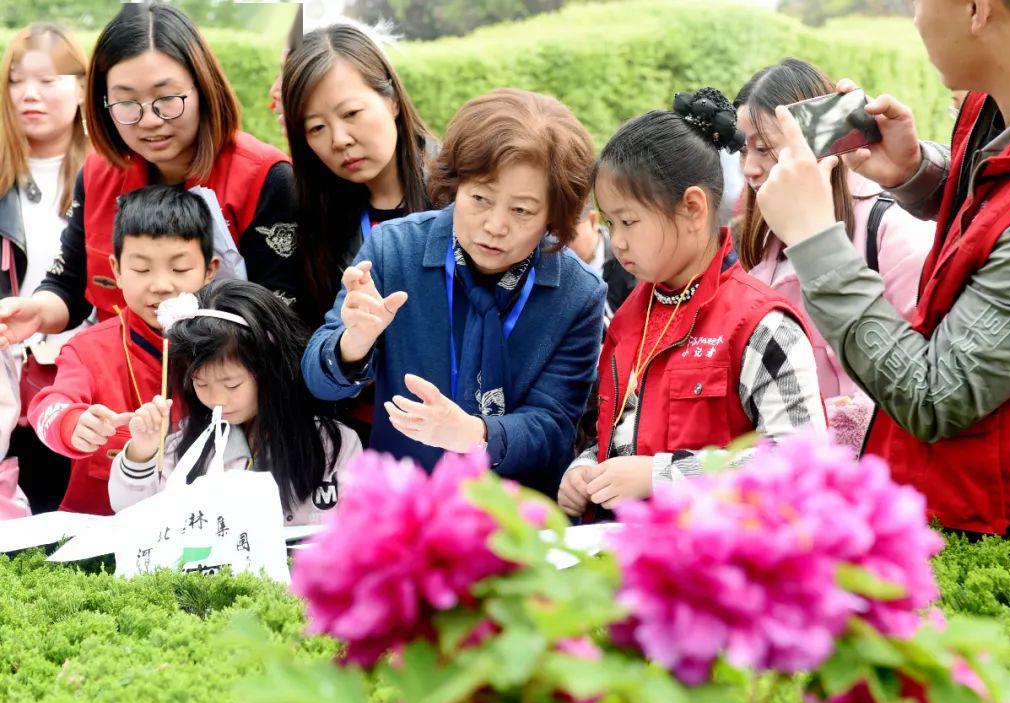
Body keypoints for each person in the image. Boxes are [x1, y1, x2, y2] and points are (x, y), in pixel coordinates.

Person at [751, 0, 1010, 535]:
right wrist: (917, 173)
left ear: (978, 10)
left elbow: (934, 396)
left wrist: (815, 240)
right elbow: (1003, 210)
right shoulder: (1002, 101)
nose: (913, 16)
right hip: (940, 495)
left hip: (998, 524)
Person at [302, 88, 604, 495]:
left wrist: (475, 433)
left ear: (553, 216)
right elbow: (319, 382)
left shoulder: (577, 294)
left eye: (521, 211)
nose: (495, 225)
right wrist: (353, 342)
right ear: (455, 185)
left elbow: (553, 428)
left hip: (517, 523)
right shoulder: (394, 250)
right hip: (403, 509)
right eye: (480, 198)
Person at [557, 88, 826, 518]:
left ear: (694, 208)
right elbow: (620, 435)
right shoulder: (628, 319)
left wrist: (661, 476)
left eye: (628, 221)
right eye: (610, 223)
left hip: (719, 567)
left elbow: (802, 465)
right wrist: (588, 467)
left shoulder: (760, 324)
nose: (617, 240)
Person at [0, 2, 302, 351]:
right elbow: (70, 285)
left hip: (228, 391)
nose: (149, 120)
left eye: (167, 98)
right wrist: (35, 312)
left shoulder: (265, 178)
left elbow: (282, 319)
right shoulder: (98, 174)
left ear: (203, 87)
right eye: (126, 103)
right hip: (119, 390)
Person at [734, 58, 934, 450]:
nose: (750, 168)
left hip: (888, 474)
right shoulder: (758, 243)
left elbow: (927, 375)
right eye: (743, 151)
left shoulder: (893, 233)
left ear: (817, 142)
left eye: (764, 148)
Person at [26, 185, 219, 515]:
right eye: (142, 269)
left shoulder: (226, 346)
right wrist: (72, 423)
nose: (160, 284)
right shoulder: (89, 349)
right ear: (115, 270)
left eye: (180, 269)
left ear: (210, 271)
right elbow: (46, 407)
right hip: (97, 534)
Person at [109, 280, 362, 525]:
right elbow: (132, 513)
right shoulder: (186, 446)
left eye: (232, 385)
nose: (217, 399)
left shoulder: (332, 444)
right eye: (201, 384)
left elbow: (360, 532)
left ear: (272, 369)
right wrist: (141, 453)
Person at [281, 23, 437, 328]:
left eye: (351, 113)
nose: (339, 140)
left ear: (391, 99)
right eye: (316, 128)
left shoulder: (460, 193)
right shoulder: (315, 218)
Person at [0, 23, 89, 511]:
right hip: (6, 390)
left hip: (85, 386)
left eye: (47, 79)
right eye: (15, 80)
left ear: (82, 86)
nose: (28, 94)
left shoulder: (113, 173)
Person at [567, 198, 637, 326]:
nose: (561, 243)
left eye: (569, 233)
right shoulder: (554, 267)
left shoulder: (628, 260)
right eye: (554, 233)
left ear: (593, 220)